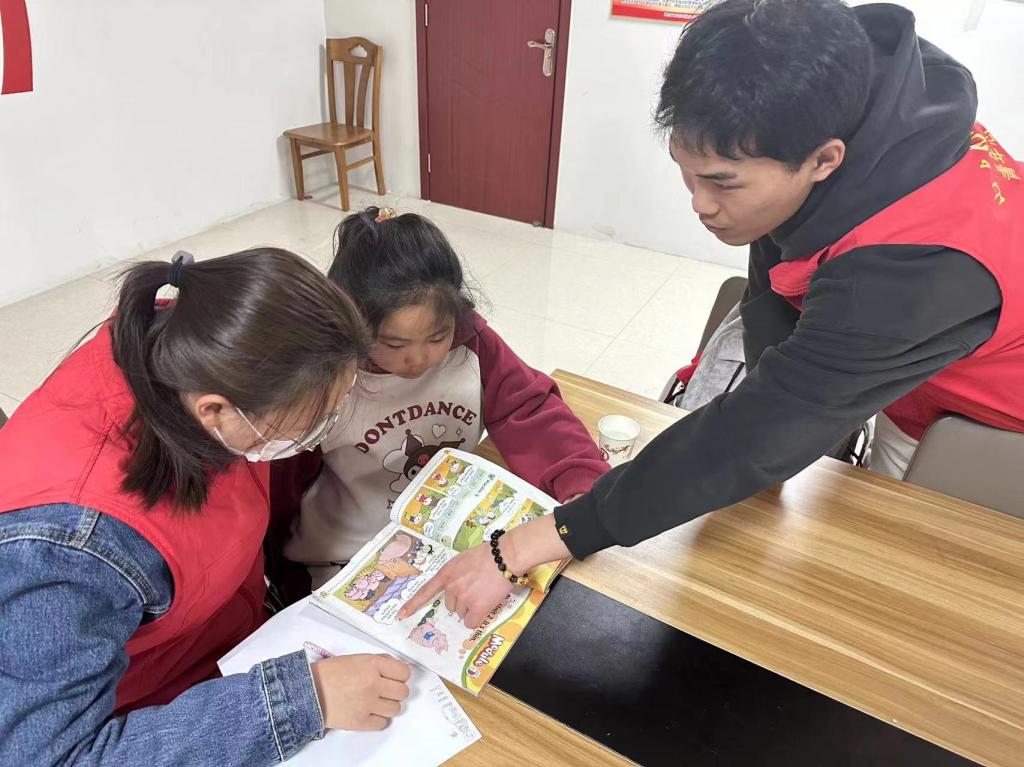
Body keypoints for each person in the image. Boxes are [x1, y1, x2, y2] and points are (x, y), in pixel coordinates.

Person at [400, 0, 1023, 628]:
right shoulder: (841, 88)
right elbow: (774, 294)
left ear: (824, 160)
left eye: (723, 183)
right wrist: (764, 439)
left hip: (996, 417)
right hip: (912, 370)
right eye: (687, 171)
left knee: (919, 585)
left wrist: (527, 544)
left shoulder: (907, 270)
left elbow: (765, 428)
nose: (700, 205)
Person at [0, 249, 413, 766]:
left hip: (225, 642)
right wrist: (302, 701)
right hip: (154, 714)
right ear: (214, 410)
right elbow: (52, 757)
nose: (315, 435)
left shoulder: (198, 349)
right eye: (308, 423)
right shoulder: (71, 551)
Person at [272, 206, 609, 597]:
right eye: (394, 344)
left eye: (437, 337)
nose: (419, 359)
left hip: (447, 538)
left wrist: (579, 485)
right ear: (353, 324)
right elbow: (279, 482)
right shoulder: (327, 377)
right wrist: (278, 569)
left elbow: (529, 411)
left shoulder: (473, 344)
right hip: (346, 556)